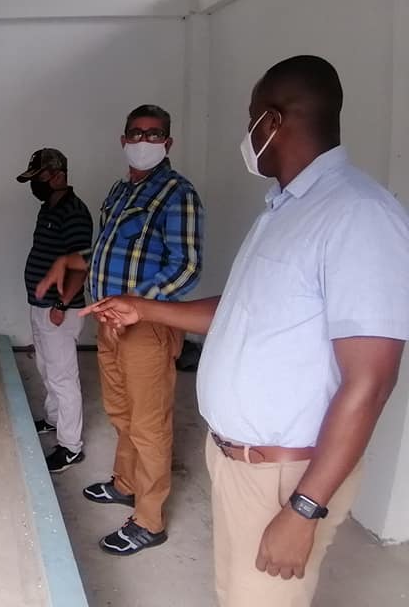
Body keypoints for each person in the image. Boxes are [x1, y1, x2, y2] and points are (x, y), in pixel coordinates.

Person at [78, 56, 409, 606]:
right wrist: (142, 308)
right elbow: (239, 309)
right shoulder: (284, 209)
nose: (247, 133)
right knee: (236, 595)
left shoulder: (359, 214)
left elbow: (371, 382)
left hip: (286, 475)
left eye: (250, 118)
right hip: (240, 462)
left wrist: (304, 508)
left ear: (272, 121)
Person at [36, 104, 204, 555]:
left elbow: (186, 267)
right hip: (108, 320)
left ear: (168, 142)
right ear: (123, 139)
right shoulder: (120, 191)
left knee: (149, 424)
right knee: (121, 412)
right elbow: (107, 252)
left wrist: (137, 304)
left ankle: (149, 520)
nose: (144, 141)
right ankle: (125, 483)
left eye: (154, 134)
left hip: (147, 325)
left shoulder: (177, 194)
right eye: (137, 133)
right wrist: (71, 261)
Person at [17, 148, 95, 473]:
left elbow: (82, 264)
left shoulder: (74, 212)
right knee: (46, 367)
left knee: (63, 377)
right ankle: (53, 419)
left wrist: (62, 304)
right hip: (41, 305)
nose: (34, 185)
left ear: (58, 175)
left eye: (39, 178)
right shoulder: (48, 207)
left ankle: (71, 446)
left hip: (59, 309)